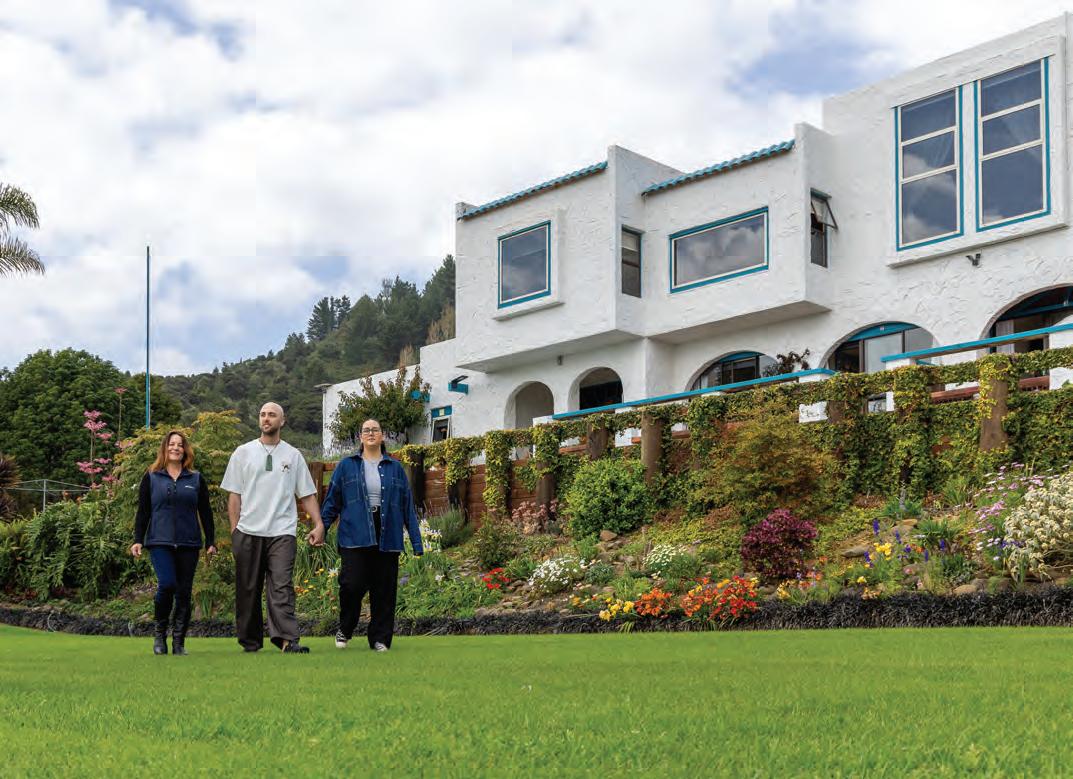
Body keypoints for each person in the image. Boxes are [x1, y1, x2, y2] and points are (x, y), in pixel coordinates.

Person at [220, 402, 325, 654]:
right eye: (263, 415)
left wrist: (319, 524)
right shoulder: (242, 453)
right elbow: (234, 495)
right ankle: (250, 642)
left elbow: (307, 494)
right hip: (248, 531)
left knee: (281, 586)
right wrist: (235, 531)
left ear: (282, 421)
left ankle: (287, 640)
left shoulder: (293, 455)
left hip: (282, 532)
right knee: (248, 589)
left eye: (272, 415)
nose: (266, 419)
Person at [321, 418, 423, 652]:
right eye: (366, 430)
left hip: (388, 532)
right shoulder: (346, 466)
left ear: (382, 435)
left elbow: (407, 506)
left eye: (375, 430)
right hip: (354, 532)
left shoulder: (395, 468)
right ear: (360, 436)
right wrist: (321, 529)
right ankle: (346, 627)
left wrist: (416, 542)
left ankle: (380, 639)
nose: (370, 433)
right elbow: (332, 501)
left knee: (384, 588)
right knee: (352, 584)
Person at [130, 430, 217, 656]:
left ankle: (179, 642)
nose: (175, 448)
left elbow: (205, 512)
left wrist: (211, 541)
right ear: (165, 448)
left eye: (180, 445)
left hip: (189, 543)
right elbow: (144, 511)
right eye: (171, 444)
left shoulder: (195, 479)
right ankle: (160, 635)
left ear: (185, 450)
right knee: (167, 584)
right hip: (160, 541)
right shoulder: (152, 476)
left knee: (184, 593)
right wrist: (138, 539)